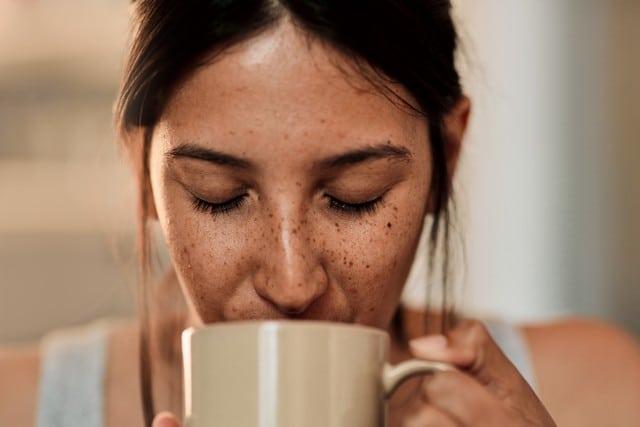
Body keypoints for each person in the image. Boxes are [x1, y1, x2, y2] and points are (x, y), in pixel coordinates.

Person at [2, 1, 640, 426]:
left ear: (446, 157)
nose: (291, 282)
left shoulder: (602, 394)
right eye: (217, 195)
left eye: (354, 196)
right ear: (142, 175)